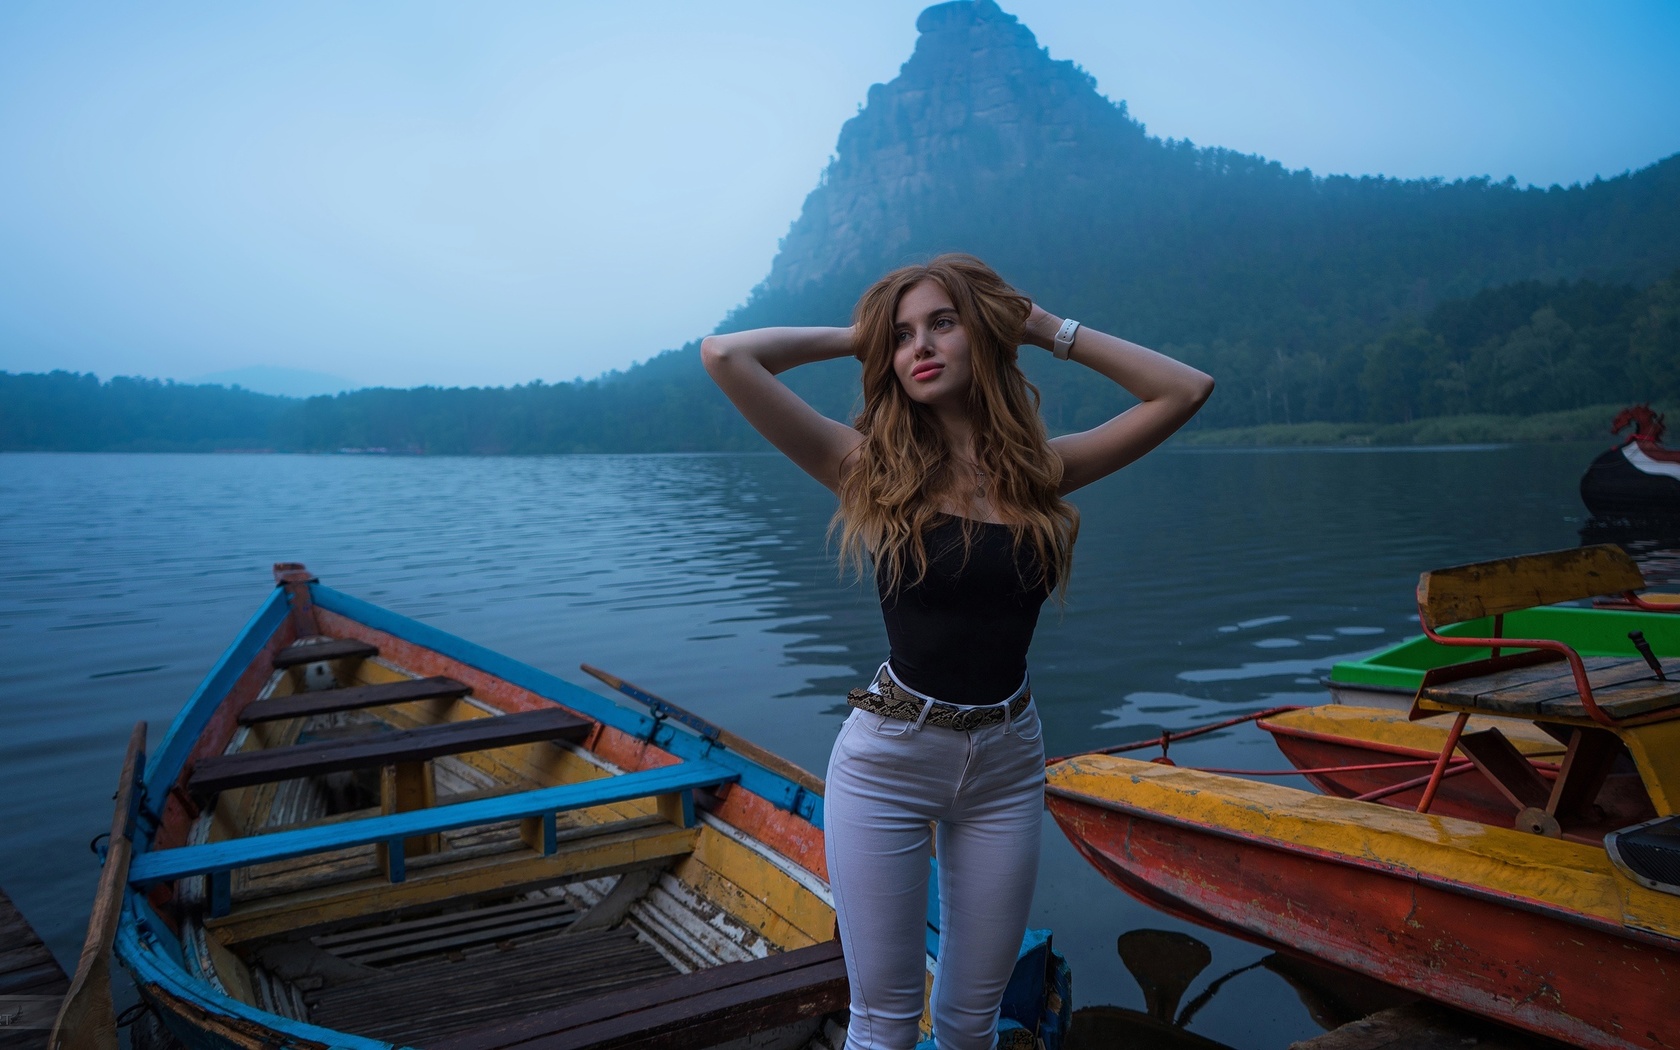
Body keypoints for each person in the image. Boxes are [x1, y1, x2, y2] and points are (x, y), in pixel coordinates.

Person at [701, 254, 1212, 1050]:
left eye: (942, 322)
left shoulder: (1042, 474)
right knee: (885, 1024)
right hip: (889, 763)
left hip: (1007, 759)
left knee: (973, 1024)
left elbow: (1185, 389)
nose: (920, 347)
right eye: (903, 338)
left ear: (982, 334)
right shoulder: (868, 470)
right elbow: (727, 355)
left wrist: (1044, 329)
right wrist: (858, 336)